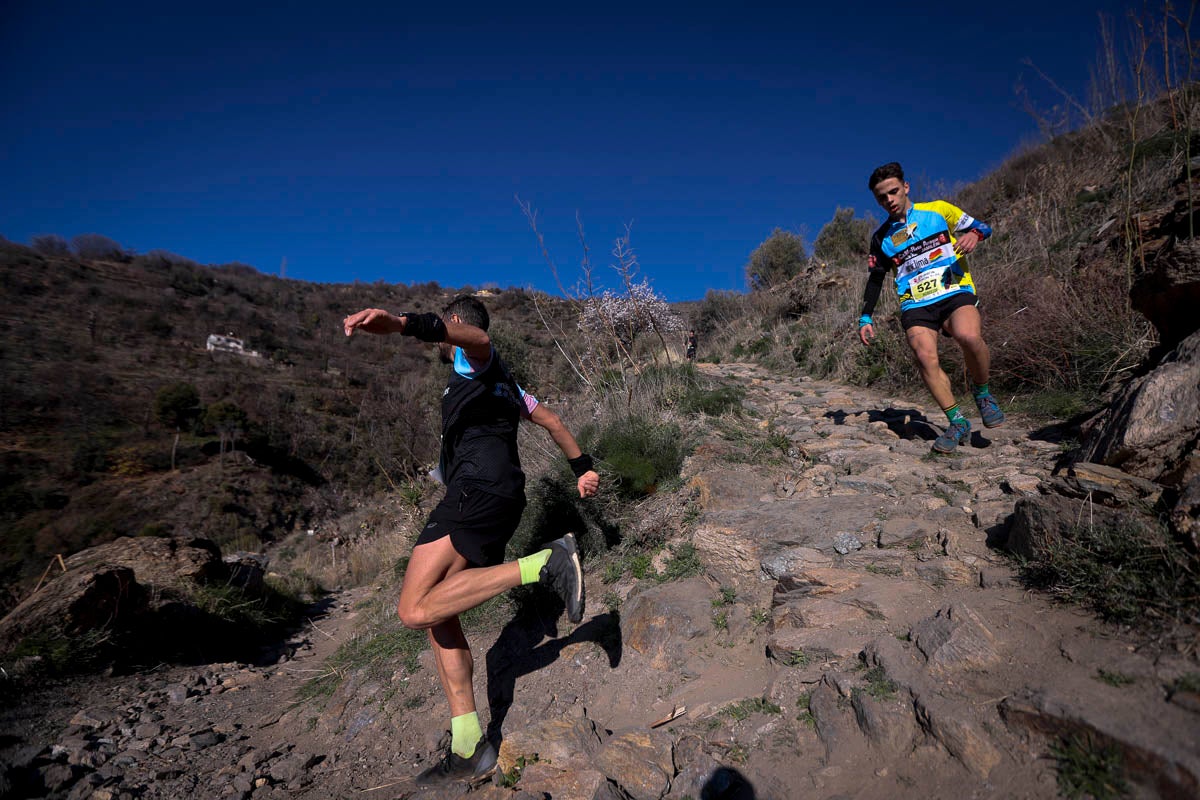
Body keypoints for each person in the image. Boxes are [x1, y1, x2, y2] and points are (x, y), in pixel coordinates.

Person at [342, 295, 601, 787]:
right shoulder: (508, 388)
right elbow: (552, 420)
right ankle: (468, 747)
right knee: (441, 614)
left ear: (454, 323)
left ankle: (545, 563)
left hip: (476, 494)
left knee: (413, 609)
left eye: (449, 326)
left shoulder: (474, 358)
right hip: (499, 498)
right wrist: (581, 468)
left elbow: (480, 340)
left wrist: (402, 324)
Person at [857, 162, 1006, 453]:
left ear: (906, 187)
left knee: (969, 337)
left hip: (953, 290)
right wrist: (865, 316)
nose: (889, 200)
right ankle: (957, 421)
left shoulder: (938, 210)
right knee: (924, 355)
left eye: (893, 192)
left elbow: (983, 227)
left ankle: (983, 393)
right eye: (881, 197)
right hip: (916, 302)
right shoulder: (881, 238)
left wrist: (974, 236)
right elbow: (876, 279)